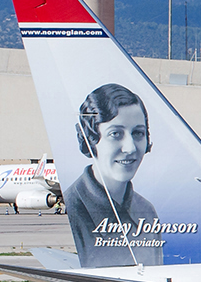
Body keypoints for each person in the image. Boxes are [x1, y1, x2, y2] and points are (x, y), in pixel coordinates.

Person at [65, 84, 164, 267]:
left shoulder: (147, 211)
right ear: (91, 140)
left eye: (138, 133)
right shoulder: (73, 209)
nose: (131, 148)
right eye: (115, 134)